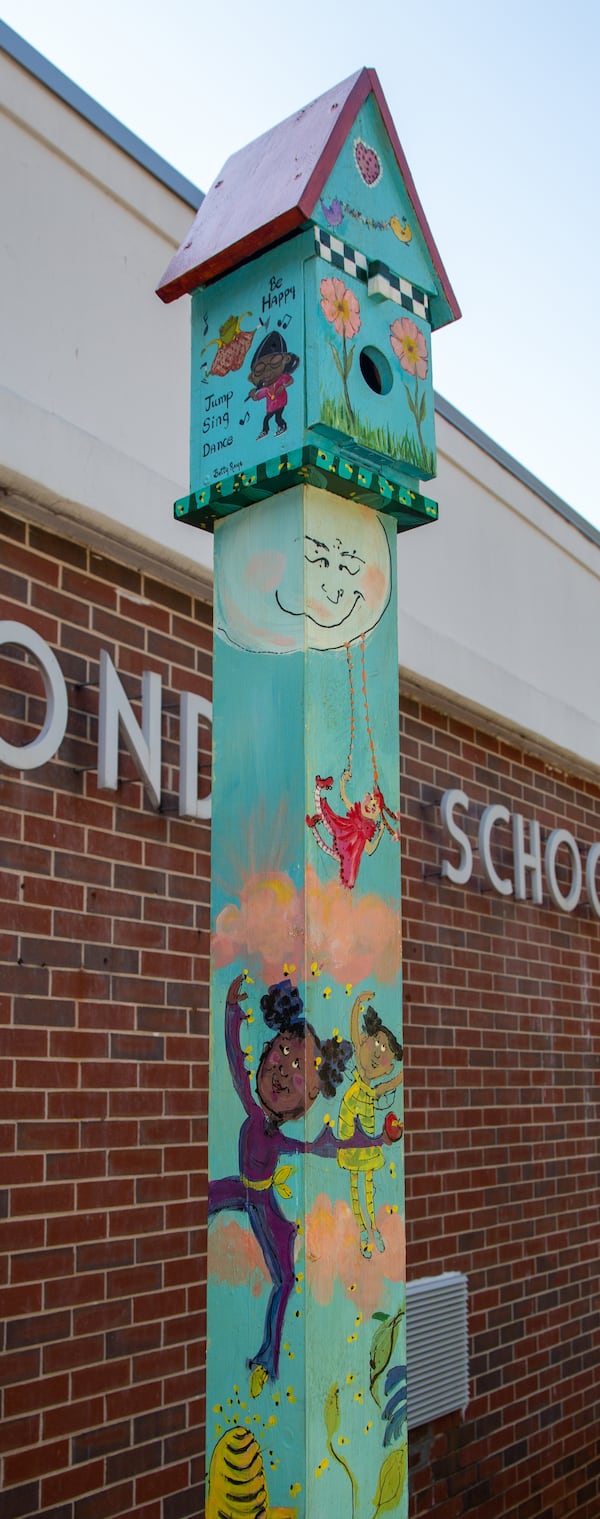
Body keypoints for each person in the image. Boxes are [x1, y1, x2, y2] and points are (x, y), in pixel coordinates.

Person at [209, 972, 387, 1394]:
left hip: (263, 1201)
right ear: (267, 1049)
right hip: (243, 1189)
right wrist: (232, 1010)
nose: (284, 1071)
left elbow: (328, 1147)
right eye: (282, 1053)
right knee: (211, 1201)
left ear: (309, 1099)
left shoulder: (283, 1136)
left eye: (298, 1067)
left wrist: (375, 1138)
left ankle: (268, 1356)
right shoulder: (251, 1106)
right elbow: (235, 1058)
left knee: (285, 1277)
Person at [337, 990, 403, 1258]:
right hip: (350, 1138)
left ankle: (373, 1227)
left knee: (367, 1185)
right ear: (365, 1040)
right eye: (376, 1042)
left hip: (367, 1142)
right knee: (356, 1185)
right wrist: (356, 1004)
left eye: (385, 1050)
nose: (378, 1051)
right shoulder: (358, 1078)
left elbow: (392, 1083)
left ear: (388, 1068)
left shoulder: (373, 1091)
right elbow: (354, 1031)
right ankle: (363, 1229)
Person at [306, 770, 386, 889]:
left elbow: (369, 849)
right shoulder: (358, 812)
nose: (372, 807)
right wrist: (343, 781)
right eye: (372, 803)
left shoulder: (368, 828)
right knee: (328, 824)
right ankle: (318, 788)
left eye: (375, 806)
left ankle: (313, 824)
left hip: (348, 850)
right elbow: (344, 798)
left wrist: (380, 833)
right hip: (342, 832)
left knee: (330, 848)